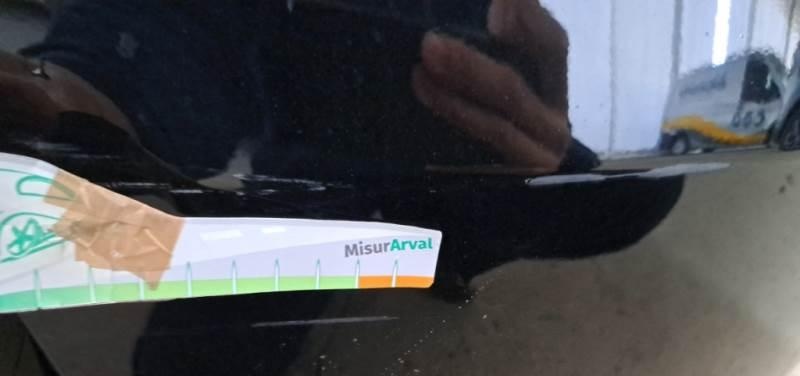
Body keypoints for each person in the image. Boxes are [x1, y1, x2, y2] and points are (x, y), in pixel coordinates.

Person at [0, 0, 594, 184]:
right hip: (302, 192)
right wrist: (88, 104)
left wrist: (563, 165)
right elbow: (146, 35)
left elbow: (623, 212)